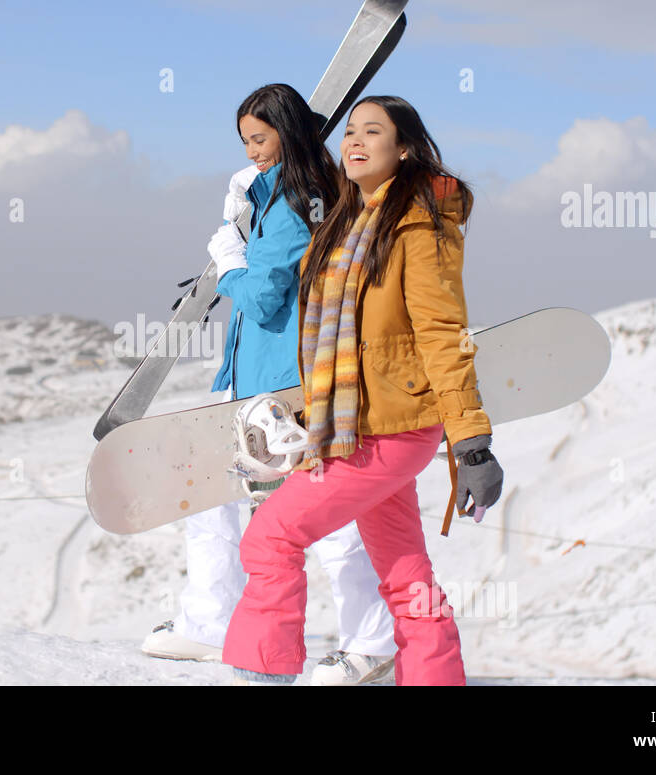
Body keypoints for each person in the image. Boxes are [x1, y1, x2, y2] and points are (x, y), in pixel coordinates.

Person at [221, 95, 506, 685]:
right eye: (350, 131)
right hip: (353, 424)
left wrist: (472, 445)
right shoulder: (346, 221)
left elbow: (443, 334)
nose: (354, 141)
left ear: (402, 148)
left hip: (391, 429)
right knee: (406, 573)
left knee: (271, 536)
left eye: (371, 132)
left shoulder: (420, 226)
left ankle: (262, 675)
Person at [141, 84, 399, 685]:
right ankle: (211, 624)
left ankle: (372, 639)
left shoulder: (288, 200)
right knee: (214, 497)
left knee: (317, 511)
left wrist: (230, 257)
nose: (253, 151)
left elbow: (260, 297)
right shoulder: (295, 192)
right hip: (259, 376)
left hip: (281, 383)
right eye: (245, 142)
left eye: (260, 138)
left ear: (286, 130)